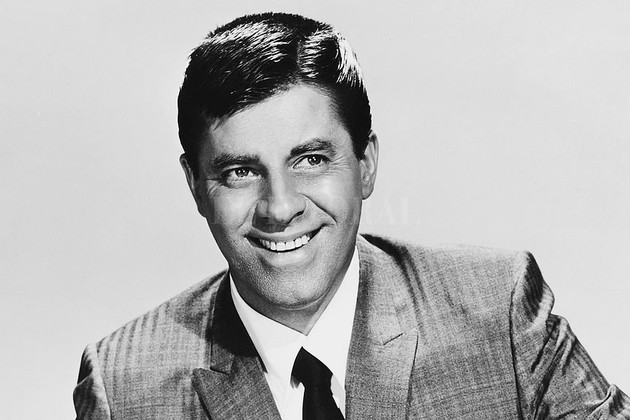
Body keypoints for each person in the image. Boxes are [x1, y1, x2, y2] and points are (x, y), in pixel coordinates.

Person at [73, 12, 630, 419]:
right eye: (240, 171)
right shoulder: (124, 388)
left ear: (365, 166)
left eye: (311, 160)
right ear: (195, 185)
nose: (280, 207)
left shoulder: (498, 312)